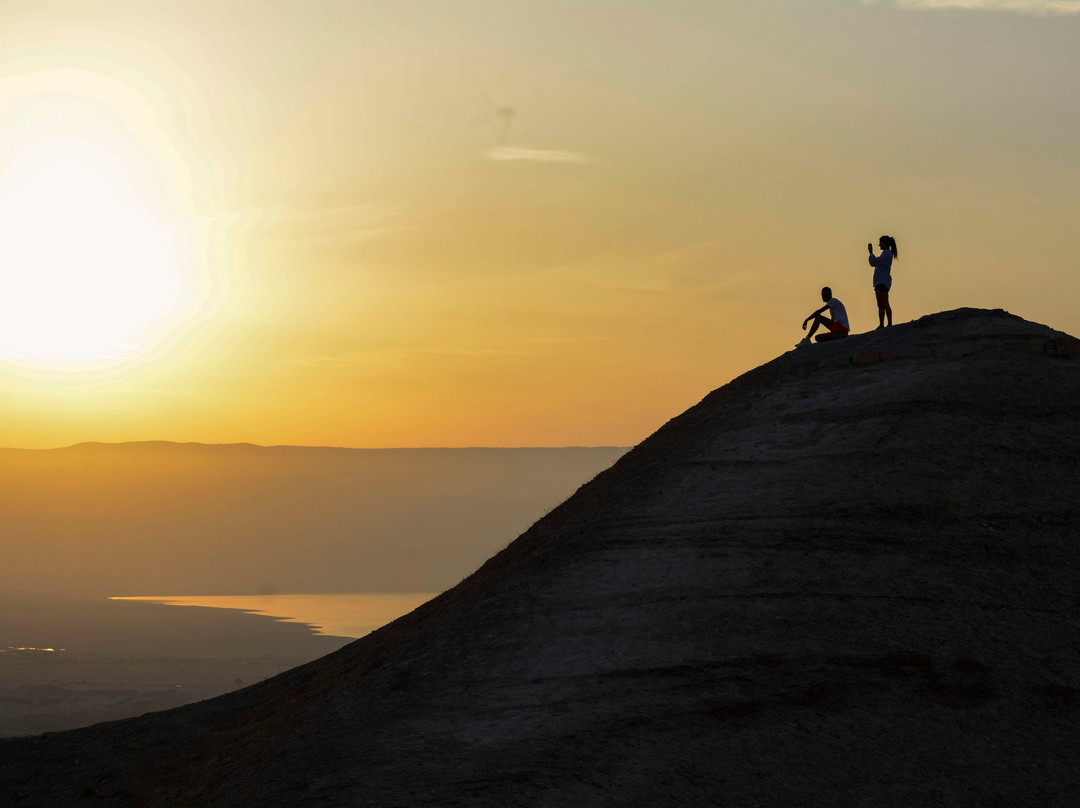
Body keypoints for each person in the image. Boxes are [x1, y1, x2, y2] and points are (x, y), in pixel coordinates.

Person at [867, 235, 898, 329]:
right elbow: (874, 262)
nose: (879, 245)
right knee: (880, 304)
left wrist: (871, 253)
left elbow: (874, 262)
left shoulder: (887, 254)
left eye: (881, 243)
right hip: (879, 281)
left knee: (885, 303)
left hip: (882, 281)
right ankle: (881, 324)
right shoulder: (885, 253)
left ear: (885, 243)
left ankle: (889, 323)